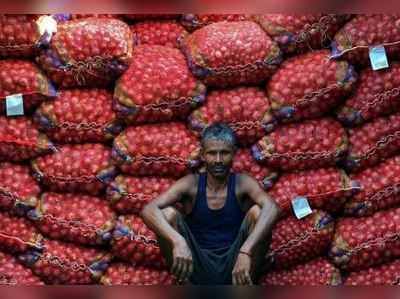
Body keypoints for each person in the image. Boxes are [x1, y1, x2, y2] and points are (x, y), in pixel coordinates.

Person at [141, 123, 280, 285]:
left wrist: (245, 251)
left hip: (236, 266)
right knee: (167, 214)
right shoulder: (191, 184)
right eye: (212, 153)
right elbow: (148, 209)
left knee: (258, 212)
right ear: (202, 155)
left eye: (225, 153)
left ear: (234, 153)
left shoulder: (243, 183)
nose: (218, 160)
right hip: (195, 266)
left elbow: (272, 208)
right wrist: (177, 241)